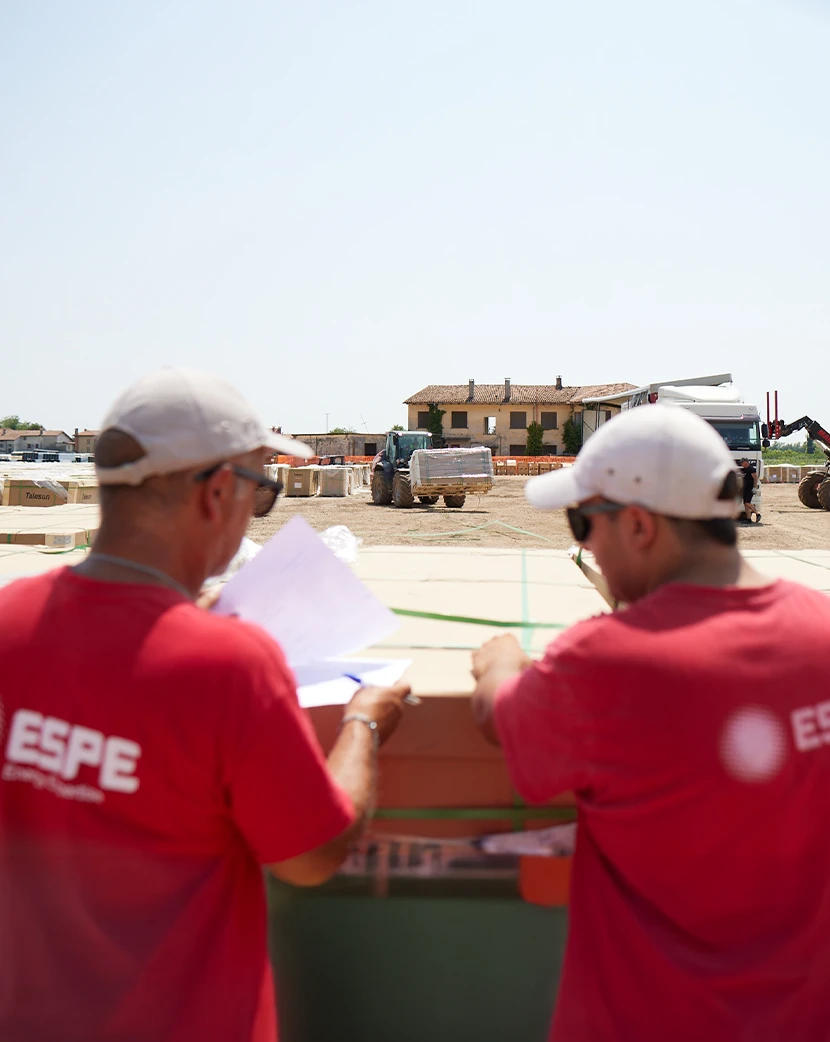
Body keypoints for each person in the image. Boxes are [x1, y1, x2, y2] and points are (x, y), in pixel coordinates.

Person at [0, 368, 410, 1042]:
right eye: (263, 493)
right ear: (219, 491)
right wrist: (367, 721)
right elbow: (309, 856)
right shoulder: (229, 665)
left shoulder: (10, 620)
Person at [470, 404, 830, 1042]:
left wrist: (502, 664)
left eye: (584, 522)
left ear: (638, 523)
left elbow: (503, 720)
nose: (585, 545)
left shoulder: (604, 660)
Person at [739, 456, 760, 523]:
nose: (741, 464)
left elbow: (755, 478)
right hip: (745, 488)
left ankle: (757, 514)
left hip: (750, 488)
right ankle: (748, 519)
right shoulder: (744, 470)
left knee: (747, 502)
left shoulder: (751, 469)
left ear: (746, 462)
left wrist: (754, 487)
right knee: (745, 503)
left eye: (742, 462)